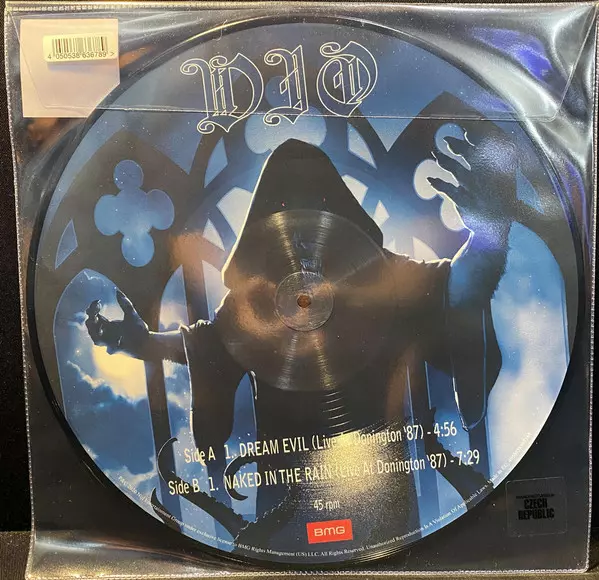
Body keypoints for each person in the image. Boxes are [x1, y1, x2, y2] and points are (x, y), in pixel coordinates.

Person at [86, 132, 514, 545]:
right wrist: (142, 343)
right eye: (288, 218)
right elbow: (210, 344)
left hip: (379, 494)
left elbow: (456, 288)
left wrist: (490, 233)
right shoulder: (254, 298)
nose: (304, 241)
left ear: (338, 218)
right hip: (286, 502)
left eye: (316, 214)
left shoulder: (382, 276)